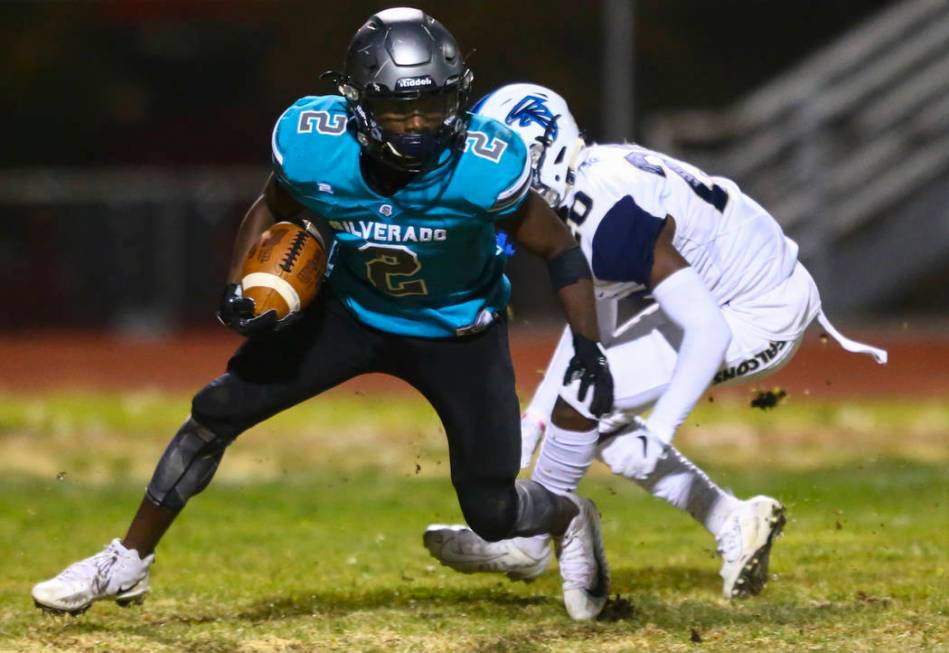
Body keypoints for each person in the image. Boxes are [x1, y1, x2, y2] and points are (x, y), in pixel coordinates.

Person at [31, 14, 616, 621]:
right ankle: (127, 560)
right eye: (398, 110)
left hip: (457, 331)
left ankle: (569, 516)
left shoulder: (484, 161)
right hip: (351, 311)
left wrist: (589, 347)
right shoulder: (317, 143)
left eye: (434, 105)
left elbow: (559, 248)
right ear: (359, 106)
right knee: (215, 413)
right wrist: (240, 286)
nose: (418, 126)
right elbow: (271, 205)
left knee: (492, 512)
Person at [423, 83, 888, 598]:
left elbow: (706, 331)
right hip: (727, 293)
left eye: (506, 167)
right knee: (591, 414)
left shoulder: (604, 214)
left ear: (542, 156)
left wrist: (662, 428)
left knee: (588, 408)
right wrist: (533, 419)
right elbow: (590, 330)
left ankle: (529, 539)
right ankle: (734, 520)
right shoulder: (588, 186)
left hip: (759, 310)